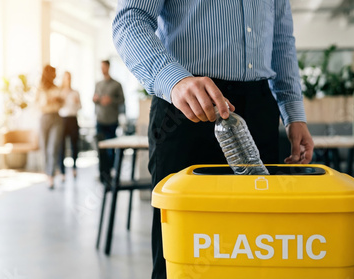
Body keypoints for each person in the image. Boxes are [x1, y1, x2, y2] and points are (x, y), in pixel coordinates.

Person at [112, 1, 314, 278]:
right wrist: (172, 79)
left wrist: (294, 114)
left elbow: (281, 41)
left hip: (259, 110)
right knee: (185, 253)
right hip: (187, 105)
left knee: (256, 246)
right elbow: (130, 18)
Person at [93, 60, 125, 177]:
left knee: (111, 148)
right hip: (100, 120)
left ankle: (111, 171)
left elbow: (122, 100)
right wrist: (95, 100)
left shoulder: (117, 84)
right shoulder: (98, 84)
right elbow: (95, 100)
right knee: (100, 148)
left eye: (104, 67)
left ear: (108, 67)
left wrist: (111, 100)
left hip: (111, 120)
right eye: (100, 67)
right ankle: (102, 173)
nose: (102, 69)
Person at [35, 65, 64, 189]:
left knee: (53, 147)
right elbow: (36, 105)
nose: (56, 76)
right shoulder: (40, 89)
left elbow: (63, 103)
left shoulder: (58, 88)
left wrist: (57, 100)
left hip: (56, 118)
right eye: (54, 73)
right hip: (44, 117)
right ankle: (48, 174)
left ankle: (51, 175)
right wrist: (46, 101)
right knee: (45, 146)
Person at [58, 71, 82, 180]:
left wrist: (77, 103)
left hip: (73, 119)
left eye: (69, 78)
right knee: (61, 146)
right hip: (62, 120)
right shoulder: (59, 92)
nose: (68, 80)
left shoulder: (75, 92)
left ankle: (74, 168)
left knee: (74, 145)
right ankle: (62, 172)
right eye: (66, 78)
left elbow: (80, 107)